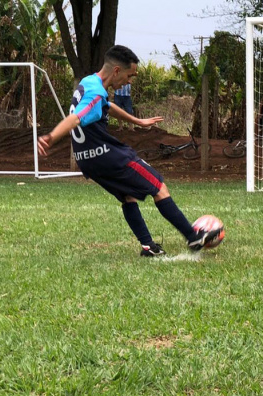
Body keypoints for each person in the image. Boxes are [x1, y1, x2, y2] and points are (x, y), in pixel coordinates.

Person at [36, 45, 220, 257]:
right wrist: (51, 136)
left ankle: (148, 246)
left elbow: (106, 105)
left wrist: (137, 121)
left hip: (87, 160)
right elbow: (75, 118)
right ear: (116, 71)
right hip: (107, 155)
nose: (130, 81)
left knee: (128, 195)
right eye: (129, 75)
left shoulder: (89, 82)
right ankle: (193, 236)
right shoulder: (96, 93)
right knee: (159, 187)